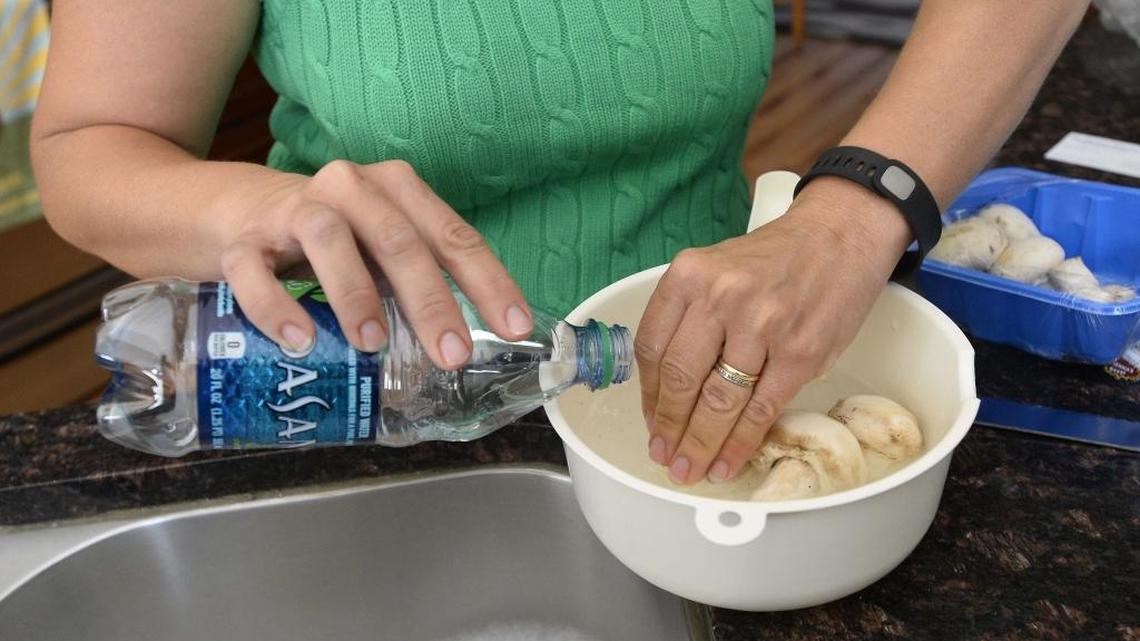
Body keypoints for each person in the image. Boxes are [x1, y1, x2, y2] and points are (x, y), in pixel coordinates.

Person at [32, 1, 1088, 484]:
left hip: (705, 406)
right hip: (370, 421)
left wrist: (864, 203)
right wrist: (243, 208)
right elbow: (89, 149)